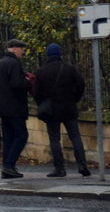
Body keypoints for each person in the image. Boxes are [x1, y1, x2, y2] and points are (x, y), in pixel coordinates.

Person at [33, 43, 92, 178]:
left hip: (51, 111)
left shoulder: (41, 71)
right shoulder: (69, 69)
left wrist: (43, 104)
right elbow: (81, 84)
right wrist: (74, 99)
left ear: (47, 55)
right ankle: (82, 165)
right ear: (60, 54)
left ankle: (59, 169)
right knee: (75, 136)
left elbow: (36, 92)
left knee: (54, 139)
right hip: (69, 108)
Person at [0, 38, 33, 178]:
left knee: (9, 137)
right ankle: (10, 164)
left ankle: (7, 168)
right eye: (21, 49)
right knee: (22, 135)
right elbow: (17, 83)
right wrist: (27, 81)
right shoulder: (13, 63)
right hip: (15, 107)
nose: (22, 52)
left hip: (3, 107)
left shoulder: (1, 62)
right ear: (15, 48)